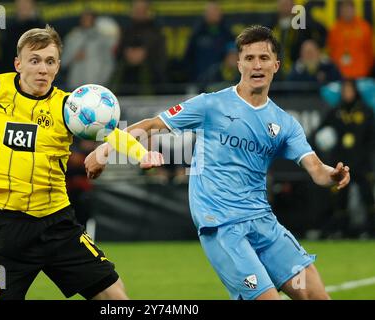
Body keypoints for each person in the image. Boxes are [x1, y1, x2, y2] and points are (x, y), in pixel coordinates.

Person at [85, 25, 351, 300]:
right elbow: (152, 125)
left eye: (263, 58)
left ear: (276, 65)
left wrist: (332, 175)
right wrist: (104, 151)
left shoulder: (285, 123)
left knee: (316, 296)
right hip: (223, 227)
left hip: (264, 224)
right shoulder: (211, 105)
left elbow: (316, 169)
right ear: (239, 64)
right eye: (249, 58)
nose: (256, 65)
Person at [0, 25, 160, 300]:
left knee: (114, 296)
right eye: (35, 60)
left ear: (57, 67)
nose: (42, 69)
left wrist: (142, 155)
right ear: (18, 64)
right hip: (11, 231)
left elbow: (114, 134)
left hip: (58, 226)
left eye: (50, 61)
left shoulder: (70, 108)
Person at [315, 79, 374, 238]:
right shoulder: (335, 112)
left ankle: (370, 229)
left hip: (362, 163)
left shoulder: (366, 112)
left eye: (350, 90)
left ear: (355, 92)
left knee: (368, 197)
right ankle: (342, 230)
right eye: (344, 90)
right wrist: (323, 139)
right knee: (340, 198)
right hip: (341, 163)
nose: (347, 93)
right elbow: (318, 133)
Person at [327, 0, 373, 79]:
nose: (346, 12)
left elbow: (369, 52)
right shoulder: (334, 29)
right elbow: (331, 51)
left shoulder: (364, 27)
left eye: (348, 8)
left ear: (354, 9)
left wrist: (366, 70)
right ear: (340, 11)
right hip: (340, 76)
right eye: (343, 9)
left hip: (360, 74)